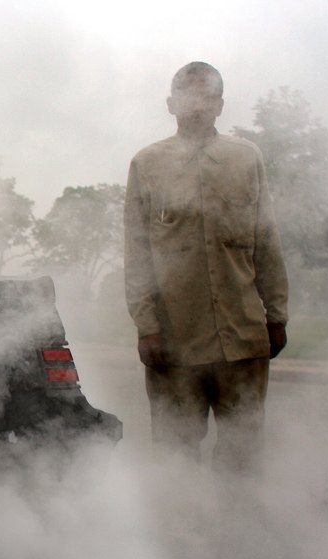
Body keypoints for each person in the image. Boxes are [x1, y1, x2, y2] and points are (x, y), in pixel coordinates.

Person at [123, 62, 289, 471]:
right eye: (187, 97)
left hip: (243, 337)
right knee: (174, 455)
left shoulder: (246, 158)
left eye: (207, 98)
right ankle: (181, 532)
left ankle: (237, 531)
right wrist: (148, 327)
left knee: (243, 453)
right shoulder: (147, 164)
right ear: (170, 104)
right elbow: (137, 252)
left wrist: (277, 315)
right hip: (175, 341)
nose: (197, 107)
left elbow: (266, 241)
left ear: (219, 105)